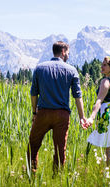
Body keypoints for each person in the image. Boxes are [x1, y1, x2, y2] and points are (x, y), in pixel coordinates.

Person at [27, 41, 88, 172]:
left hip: (43, 113)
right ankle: (57, 177)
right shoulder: (71, 70)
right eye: (68, 53)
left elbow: (34, 93)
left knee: (33, 144)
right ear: (63, 52)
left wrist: (34, 112)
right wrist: (82, 117)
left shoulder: (39, 68)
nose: (69, 56)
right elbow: (78, 96)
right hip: (62, 115)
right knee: (60, 148)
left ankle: (31, 173)